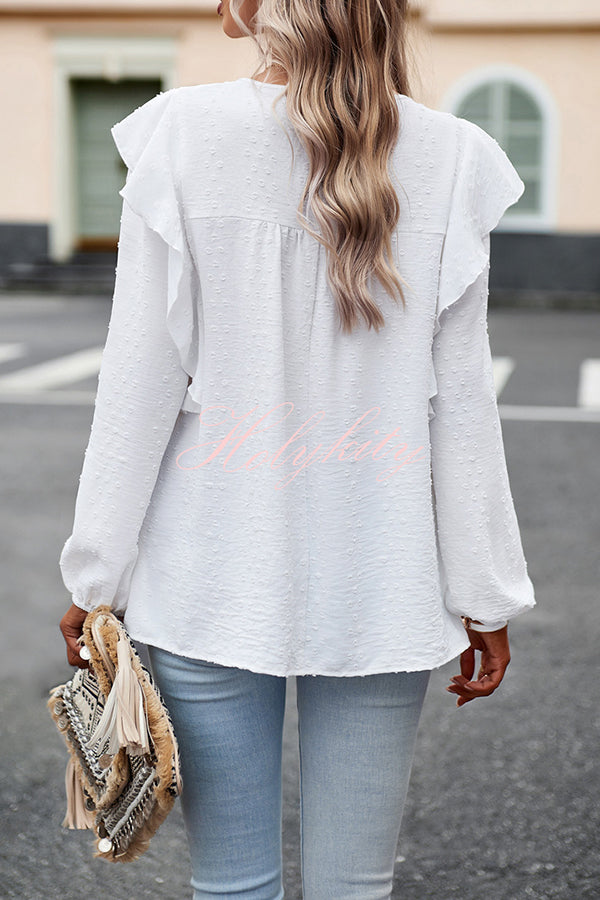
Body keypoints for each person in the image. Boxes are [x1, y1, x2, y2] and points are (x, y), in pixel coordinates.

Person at [58, 0, 536, 897]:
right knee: (356, 886)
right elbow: (463, 406)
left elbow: (138, 384)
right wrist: (484, 594)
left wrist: (96, 578)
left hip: (207, 574)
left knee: (231, 884)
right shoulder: (454, 157)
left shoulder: (181, 136)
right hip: (384, 582)